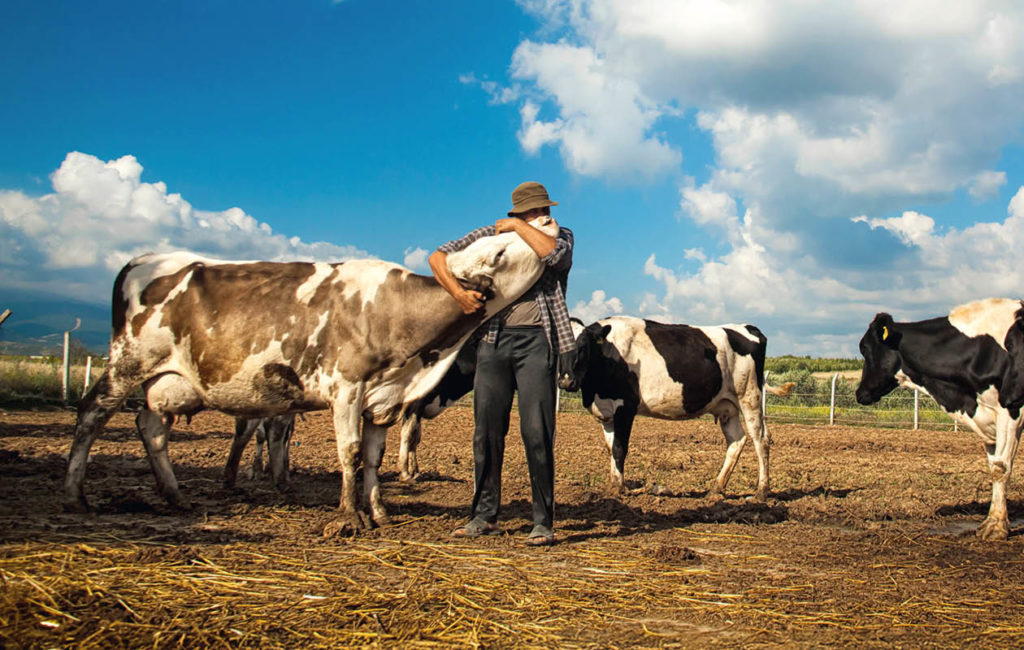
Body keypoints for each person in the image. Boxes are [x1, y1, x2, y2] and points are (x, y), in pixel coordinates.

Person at [429, 181, 574, 547]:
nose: (544, 215)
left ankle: (543, 522)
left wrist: (520, 227)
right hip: (492, 343)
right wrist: (459, 295)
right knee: (487, 432)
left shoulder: (559, 235)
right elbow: (437, 258)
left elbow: (556, 257)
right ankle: (483, 516)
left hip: (538, 342)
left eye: (546, 209)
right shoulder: (489, 237)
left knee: (537, 432)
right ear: (518, 211)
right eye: (535, 210)